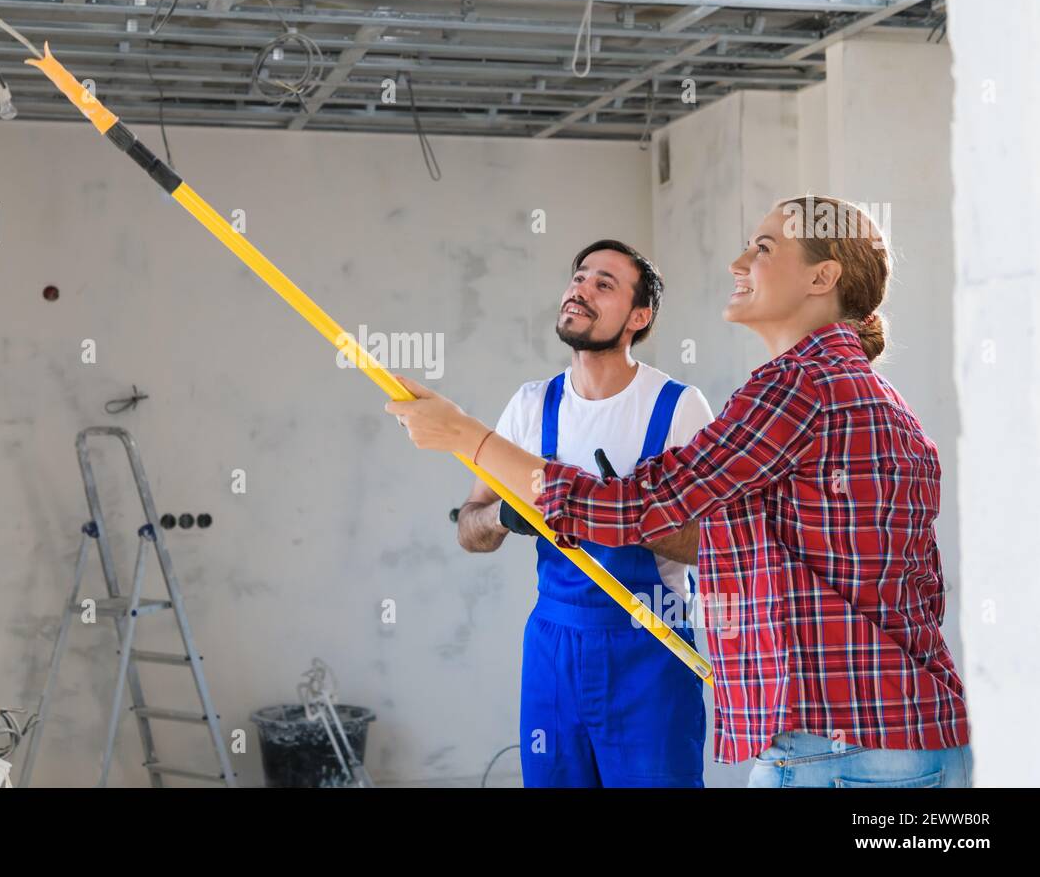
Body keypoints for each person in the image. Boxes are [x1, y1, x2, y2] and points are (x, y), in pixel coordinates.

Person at [388, 196, 973, 787]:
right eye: (579, 277)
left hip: (836, 747)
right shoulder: (869, 392)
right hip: (897, 731)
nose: (738, 263)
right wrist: (509, 512)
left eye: (763, 248)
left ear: (823, 278)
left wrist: (465, 434)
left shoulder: (789, 389)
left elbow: (633, 510)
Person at [455, 239, 714, 787]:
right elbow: (469, 528)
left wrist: (625, 511)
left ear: (639, 317)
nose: (581, 288)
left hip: (652, 646)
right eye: (579, 277)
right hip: (555, 649)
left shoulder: (677, 408)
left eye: (604, 284)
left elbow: (712, 545)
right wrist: (505, 516)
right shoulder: (531, 406)